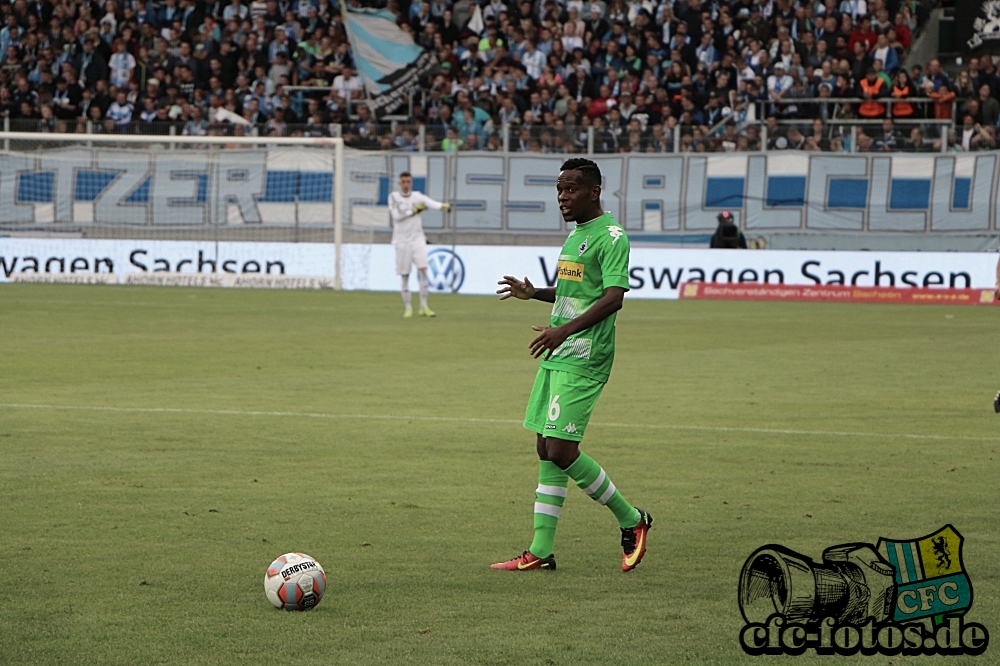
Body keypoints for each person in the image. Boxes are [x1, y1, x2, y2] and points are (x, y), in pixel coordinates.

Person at [493, 157, 652, 573]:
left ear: (593, 191)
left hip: (585, 355)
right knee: (546, 447)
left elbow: (613, 297)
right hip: (559, 353)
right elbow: (576, 293)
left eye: (571, 189)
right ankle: (541, 550)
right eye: (559, 189)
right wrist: (536, 294)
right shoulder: (577, 234)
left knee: (562, 448)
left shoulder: (612, 236)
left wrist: (562, 332)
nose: (562, 197)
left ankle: (632, 519)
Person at [388, 171, 450, 318]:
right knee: (405, 276)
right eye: (403, 182)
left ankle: (424, 306)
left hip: (417, 239)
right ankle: (408, 307)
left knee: (423, 270)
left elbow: (429, 202)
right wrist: (414, 211)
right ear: (399, 183)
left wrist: (442, 206)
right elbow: (397, 217)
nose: (405, 184)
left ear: (411, 183)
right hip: (401, 241)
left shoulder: (417, 196)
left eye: (408, 182)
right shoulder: (393, 197)